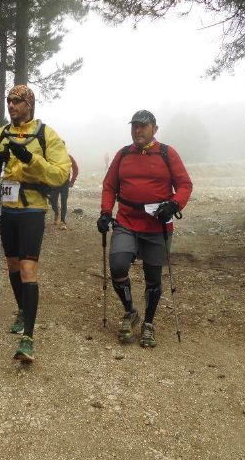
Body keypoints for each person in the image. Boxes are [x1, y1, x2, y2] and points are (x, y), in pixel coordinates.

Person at [0, 85, 70, 363]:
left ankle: (28, 338)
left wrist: (32, 159)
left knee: (29, 269)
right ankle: (22, 310)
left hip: (32, 209)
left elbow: (60, 174)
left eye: (17, 101)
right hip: (7, 209)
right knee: (14, 266)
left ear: (29, 104)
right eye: (9, 101)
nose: (11, 105)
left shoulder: (46, 135)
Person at [97, 110, 193, 347]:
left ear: (154, 129)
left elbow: (184, 184)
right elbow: (109, 186)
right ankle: (131, 312)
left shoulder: (166, 153)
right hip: (126, 222)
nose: (137, 130)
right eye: (134, 126)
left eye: (143, 126)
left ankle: (148, 323)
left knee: (153, 277)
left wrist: (174, 204)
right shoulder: (123, 154)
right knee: (118, 265)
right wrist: (105, 212)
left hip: (157, 225)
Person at [49, 154, 79, 230]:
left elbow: (75, 169)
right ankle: (56, 213)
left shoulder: (68, 156)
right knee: (52, 201)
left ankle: (63, 221)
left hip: (65, 183)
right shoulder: (52, 156)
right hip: (54, 183)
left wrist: (72, 181)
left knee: (63, 202)